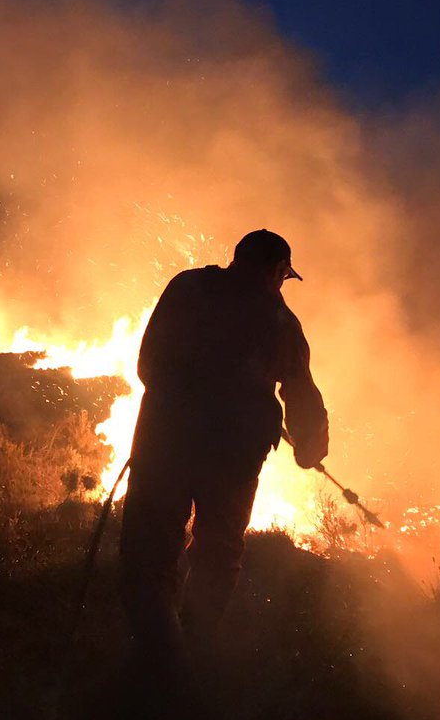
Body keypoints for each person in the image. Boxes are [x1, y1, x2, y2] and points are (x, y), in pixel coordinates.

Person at [119, 228, 329, 663]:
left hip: (164, 442)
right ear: (277, 270)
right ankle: (193, 651)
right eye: (283, 277)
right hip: (232, 459)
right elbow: (300, 391)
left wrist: (180, 401)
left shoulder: (188, 287)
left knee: (148, 550)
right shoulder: (280, 321)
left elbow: (148, 364)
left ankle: (156, 653)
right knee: (217, 554)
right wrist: (309, 445)